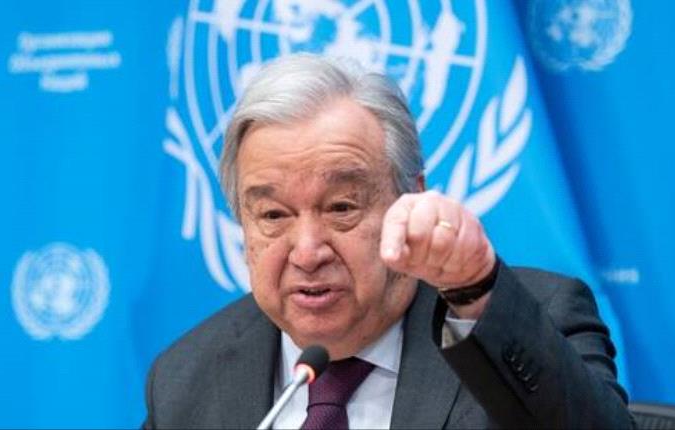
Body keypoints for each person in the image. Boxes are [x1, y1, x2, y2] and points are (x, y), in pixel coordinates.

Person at [143, 54, 633, 429]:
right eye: (273, 215)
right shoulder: (186, 379)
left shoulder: (528, 320)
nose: (308, 252)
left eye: (341, 207)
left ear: (409, 199)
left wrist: (475, 291)